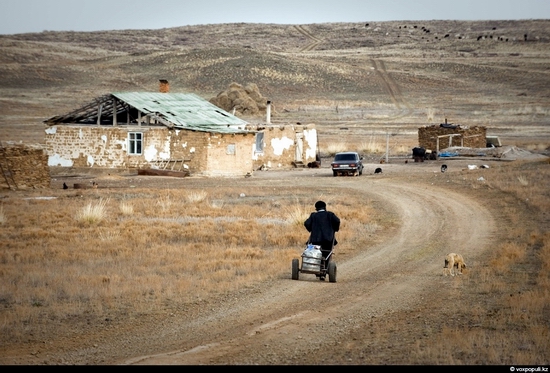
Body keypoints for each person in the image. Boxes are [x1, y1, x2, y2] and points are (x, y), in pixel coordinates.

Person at [304, 200, 340, 280]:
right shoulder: (330, 215)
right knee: (326, 254)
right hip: (328, 239)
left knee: (316, 253)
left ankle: (317, 270)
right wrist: (335, 229)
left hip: (315, 240)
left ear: (316, 208)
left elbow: (306, 223)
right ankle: (324, 272)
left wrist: (311, 229)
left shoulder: (313, 216)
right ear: (325, 207)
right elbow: (337, 221)